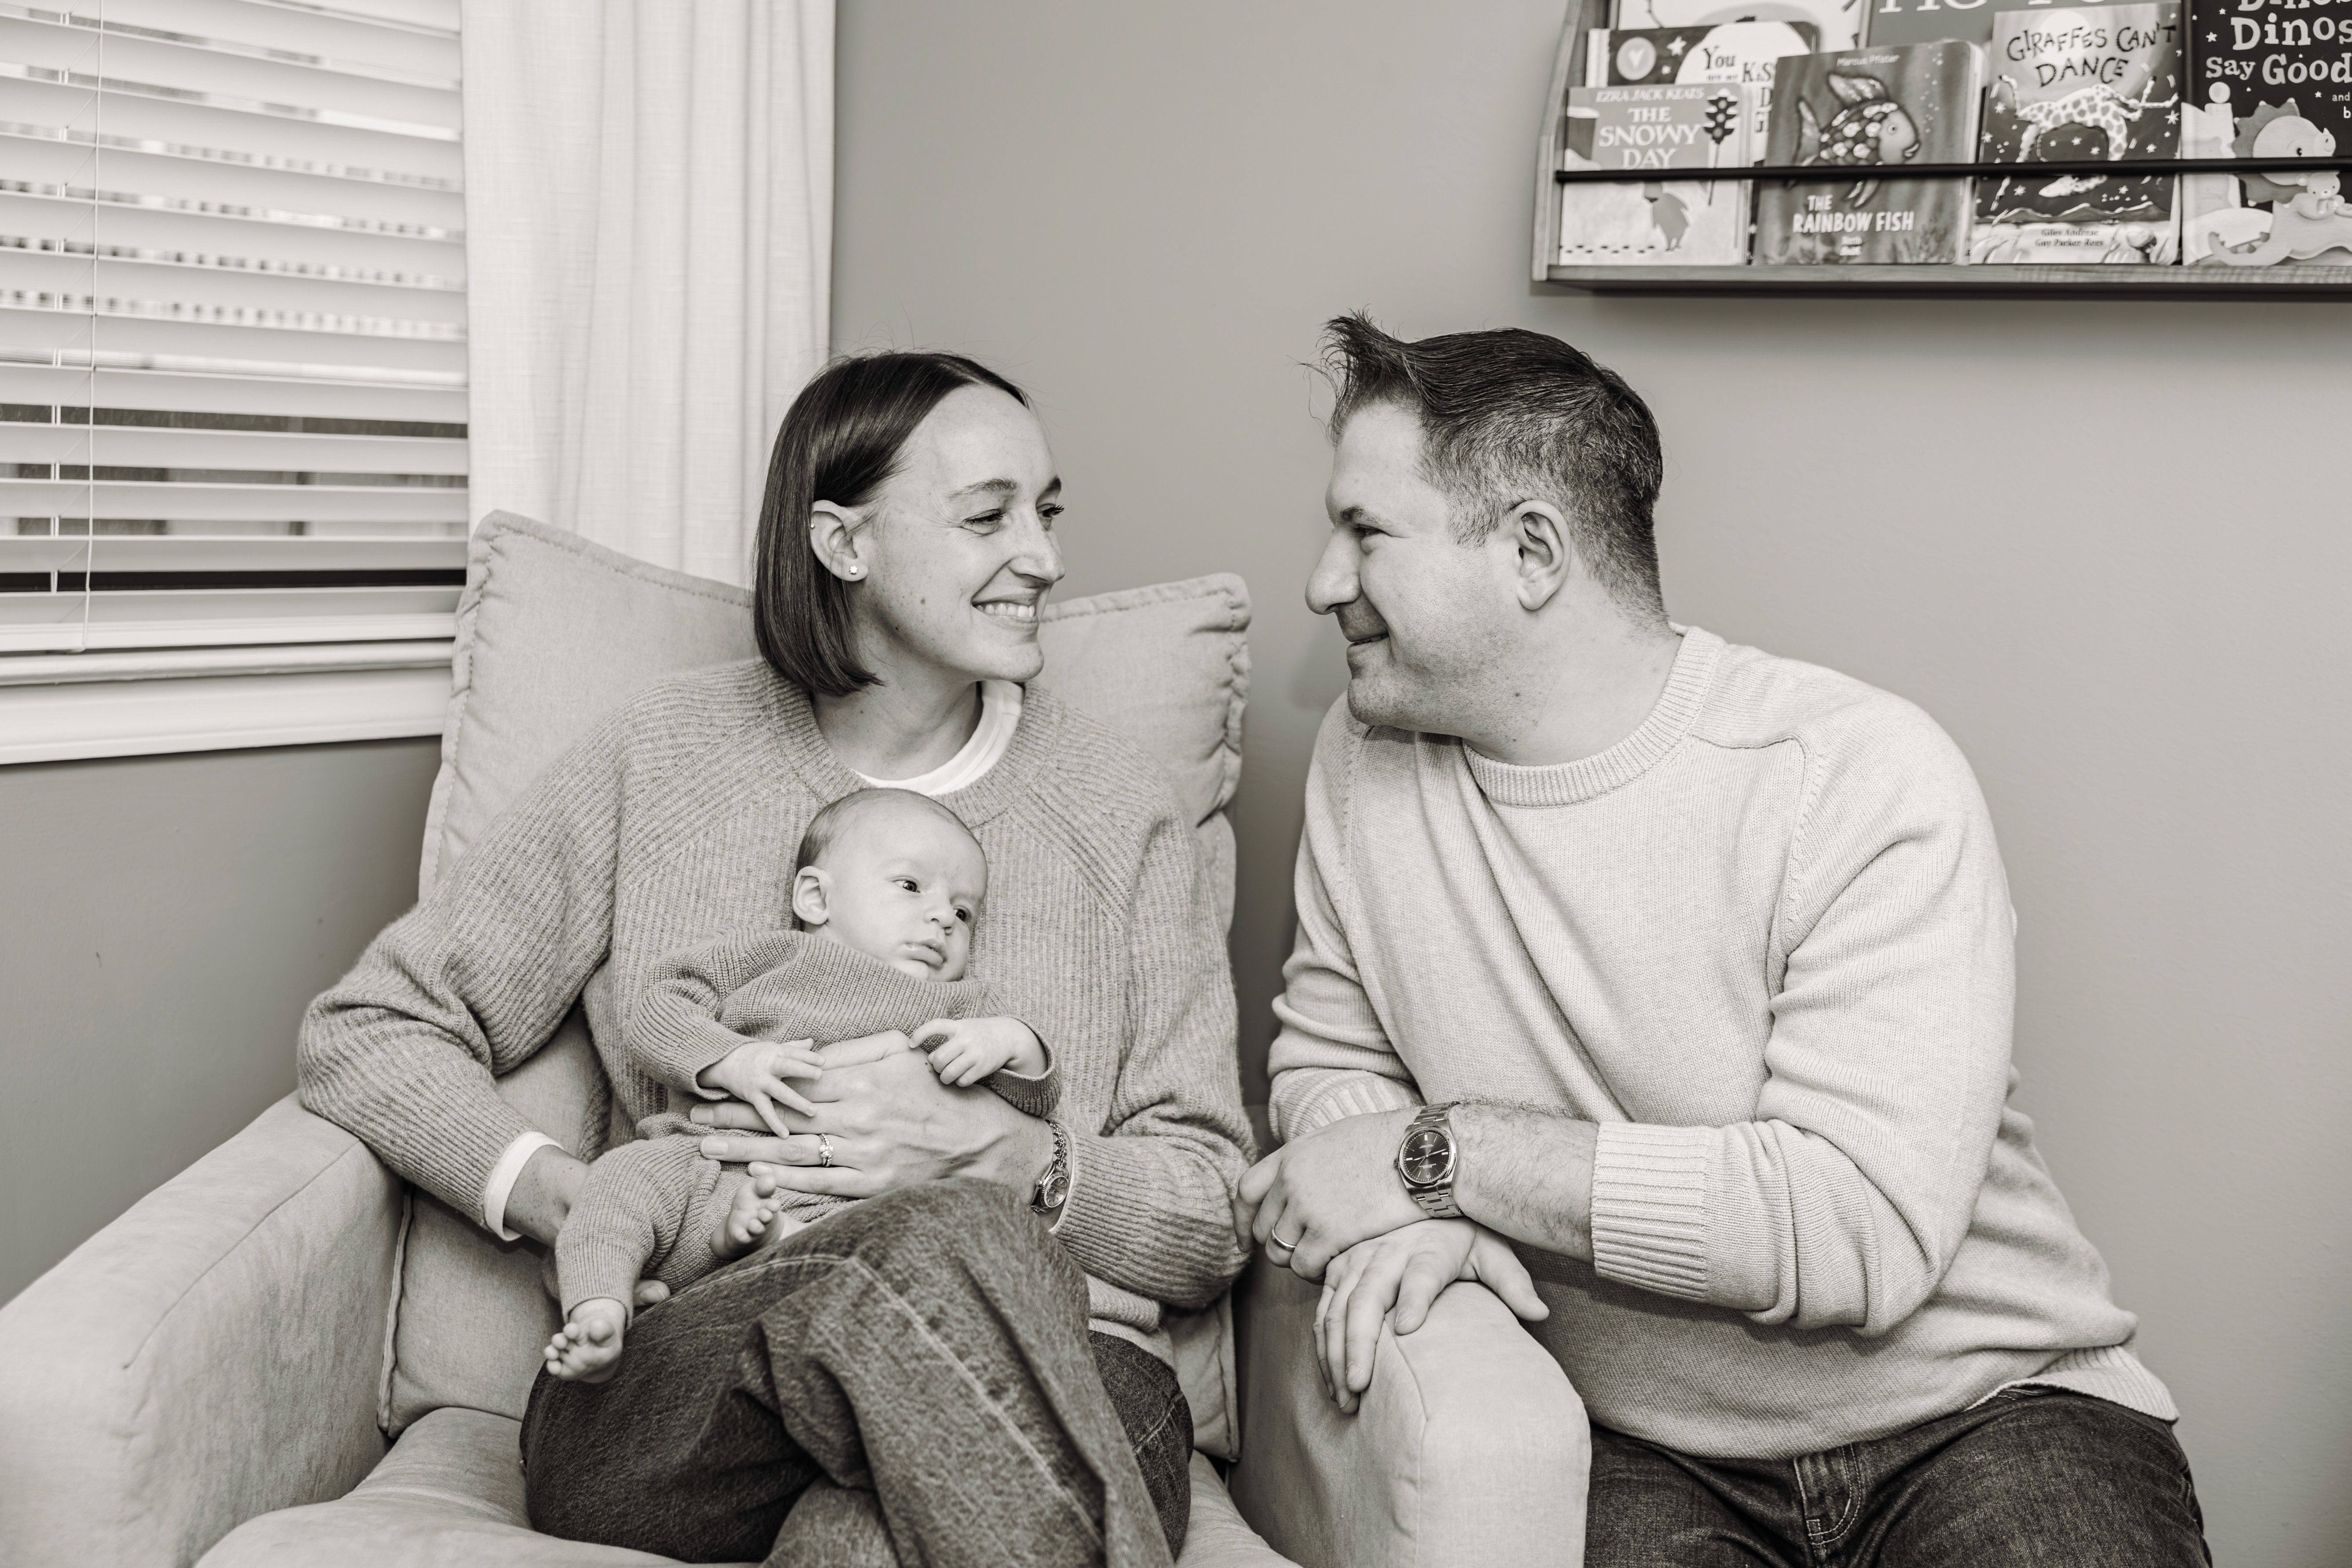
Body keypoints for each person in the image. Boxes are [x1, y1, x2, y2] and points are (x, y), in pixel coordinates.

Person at [1234, 314, 2211, 1567]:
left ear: (1533, 551)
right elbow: (1331, 1059)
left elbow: (1854, 1229)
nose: (1322, 581)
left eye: (1365, 533)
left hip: (1981, 1413)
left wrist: (1443, 1158)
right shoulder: (1366, 765)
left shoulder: (1851, 773)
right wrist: (1412, 1207)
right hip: (1645, 1446)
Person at [299, 350, 1250, 1566]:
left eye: (1048, 512)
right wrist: (571, 1202)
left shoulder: (1119, 813)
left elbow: (1214, 1216)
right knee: (922, 1248)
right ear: (842, 544)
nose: (1045, 559)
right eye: (987, 517)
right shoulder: (665, 759)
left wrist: (1007, 1156)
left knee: (862, 1538)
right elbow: (373, 1026)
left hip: (1074, 1359)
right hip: (691, 1383)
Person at [541, 786, 1056, 1385]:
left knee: (922, 1242)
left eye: (964, 912)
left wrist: (1017, 1041)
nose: (944, 917)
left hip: (855, 1205)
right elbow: (658, 1007)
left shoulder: (961, 1007)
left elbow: (1032, 1103)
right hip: (701, 1167)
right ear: (816, 897)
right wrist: (727, 1058)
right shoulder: (772, 958)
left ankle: (772, 1243)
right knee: (617, 1180)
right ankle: (600, 1311)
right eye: (912, 887)